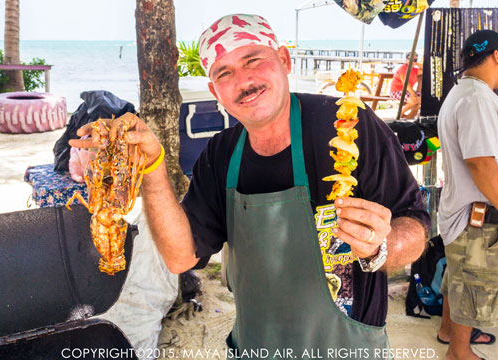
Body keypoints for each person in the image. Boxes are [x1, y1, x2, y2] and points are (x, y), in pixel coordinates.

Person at [72, 14, 429, 357]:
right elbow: (181, 257)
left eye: (253, 60)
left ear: (285, 60)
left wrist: (383, 245)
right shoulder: (221, 153)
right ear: (215, 91)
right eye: (224, 73)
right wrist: (151, 166)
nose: (243, 81)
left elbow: (416, 223)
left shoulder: (347, 126)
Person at [436, 30, 498, 360]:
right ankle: (459, 352)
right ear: (496, 55)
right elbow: (479, 161)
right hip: (480, 215)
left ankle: (449, 331)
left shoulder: (468, 93)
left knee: (460, 274)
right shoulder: (476, 97)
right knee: (474, 280)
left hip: (467, 212)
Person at [389, 53, 422, 119]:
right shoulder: (403, 68)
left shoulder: (415, 70)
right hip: (396, 92)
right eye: (410, 59)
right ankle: (400, 114)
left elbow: (427, 69)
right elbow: (406, 83)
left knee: (422, 101)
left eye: (415, 59)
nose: (412, 61)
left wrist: (416, 63)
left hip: (407, 91)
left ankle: (409, 117)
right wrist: (414, 94)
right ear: (406, 60)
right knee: (414, 100)